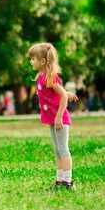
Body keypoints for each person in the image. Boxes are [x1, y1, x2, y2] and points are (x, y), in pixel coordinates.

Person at [28, 43, 79, 190]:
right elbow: (59, 93)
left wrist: (58, 117)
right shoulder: (44, 77)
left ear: (43, 61)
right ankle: (60, 180)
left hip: (59, 118)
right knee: (57, 149)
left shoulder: (49, 77)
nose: (31, 61)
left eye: (33, 59)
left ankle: (68, 182)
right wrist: (65, 93)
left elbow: (62, 97)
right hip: (53, 118)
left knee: (63, 149)